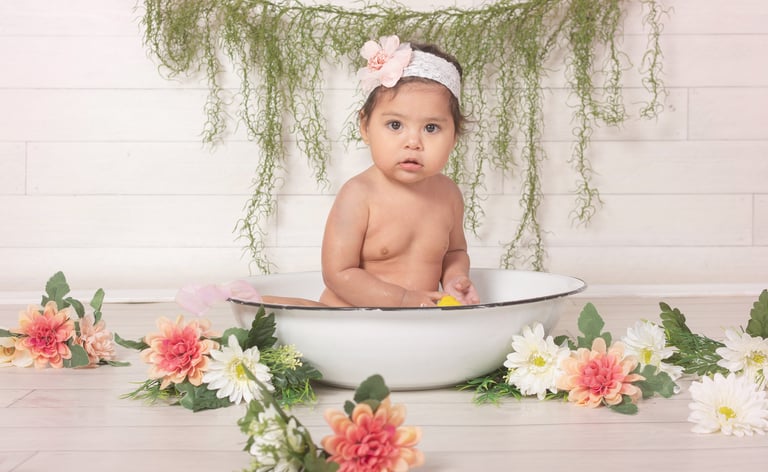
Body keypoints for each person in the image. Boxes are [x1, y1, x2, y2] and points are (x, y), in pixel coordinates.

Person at [317, 35, 479, 308]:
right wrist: (403, 299)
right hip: (349, 319)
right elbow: (337, 274)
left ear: (454, 136)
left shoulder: (448, 194)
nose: (413, 142)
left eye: (431, 128)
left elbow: (454, 252)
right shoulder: (359, 195)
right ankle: (252, 301)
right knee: (303, 314)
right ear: (365, 126)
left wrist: (455, 277)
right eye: (395, 125)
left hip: (415, 321)